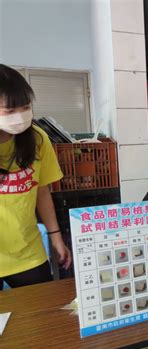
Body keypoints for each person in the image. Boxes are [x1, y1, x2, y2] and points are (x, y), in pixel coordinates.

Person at [0, 64, 71, 289]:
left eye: (25, 107)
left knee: (44, 315)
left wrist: (56, 238)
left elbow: (41, 190)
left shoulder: (38, 140)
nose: (19, 117)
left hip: (27, 252)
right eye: (9, 111)